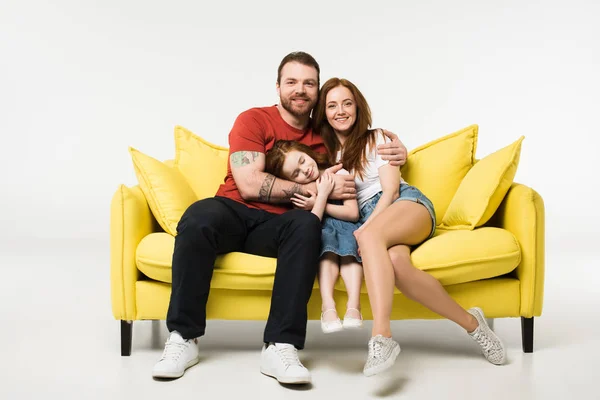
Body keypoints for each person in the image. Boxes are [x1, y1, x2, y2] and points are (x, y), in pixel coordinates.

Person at [151, 52, 408, 384]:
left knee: (306, 226)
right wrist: (316, 187)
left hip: (282, 226)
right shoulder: (253, 120)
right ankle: (183, 338)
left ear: (317, 90)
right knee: (199, 216)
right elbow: (248, 183)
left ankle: (281, 345)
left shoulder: (327, 137)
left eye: (309, 83)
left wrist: (397, 149)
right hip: (233, 211)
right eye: (292, 82)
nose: (300, 90)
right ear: (278, 87)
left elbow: (352, 166)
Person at [311, 77, 507, 377]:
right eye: (332, 105)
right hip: (372, 220)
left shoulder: (378, 138)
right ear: (323, 112)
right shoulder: (324, 155)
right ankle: (473, 324)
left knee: (371, 236)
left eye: (347, 103)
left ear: (357, 106)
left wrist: (367, 230)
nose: (341, 111)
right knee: (398, 267)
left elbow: (389, 191)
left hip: (404, 204)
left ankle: (382, 336)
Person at [265, 140, 364, 334]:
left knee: (348, 252)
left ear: (306, 152)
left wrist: (321, 200)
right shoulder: (299, 191)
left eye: (302, 161)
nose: (305, 170)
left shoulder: (339, 173)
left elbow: (353, 213)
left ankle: (354, 306)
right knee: (325, 251)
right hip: (321, 229)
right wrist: (323, 193)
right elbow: (312, 223)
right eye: (296, 173)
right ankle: (328, 307)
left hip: (347, 226)